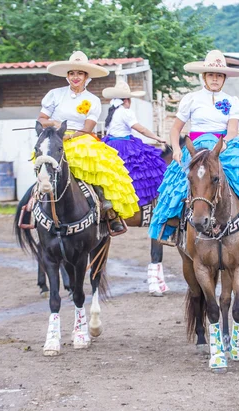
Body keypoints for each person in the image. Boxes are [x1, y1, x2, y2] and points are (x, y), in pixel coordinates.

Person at [148, 50, 239, 242]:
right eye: (211, 75)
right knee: (181, 179)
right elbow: (175, 130)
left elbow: (231, 130)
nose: (215, 79)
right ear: (204, 77)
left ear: (224, 78)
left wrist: (224, 145)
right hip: (196, 146)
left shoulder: (232, 101)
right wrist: (177, 149)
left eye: (219, 76)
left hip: (223, 144)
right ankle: (173, 220)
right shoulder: (191, 99)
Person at [38, 51, 139, 233]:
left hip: (80, 137)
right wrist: (54, 124)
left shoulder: (92, 100)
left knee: (103, 166)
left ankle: (107, 208)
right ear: (67, 75)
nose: (75, 77)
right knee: (43, 161)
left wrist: (69, 136)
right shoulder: (54, 94)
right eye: (71, 73)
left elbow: (88, 127)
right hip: (56, 137)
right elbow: (41, 119)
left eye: (80, 73)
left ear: (86, 76)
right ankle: (34, 202)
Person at [101, 80, 169, 295]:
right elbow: (139, 128)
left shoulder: (112, 112)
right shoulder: (125, 111)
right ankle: (147, 206)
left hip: (110, 144)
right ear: (127, 100)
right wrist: (157, 137)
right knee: (152, 170)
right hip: (123, 145)